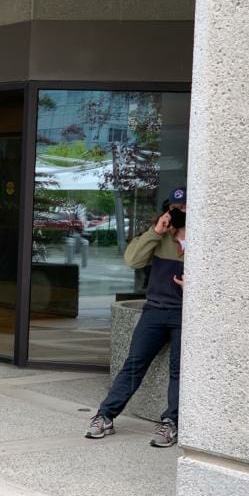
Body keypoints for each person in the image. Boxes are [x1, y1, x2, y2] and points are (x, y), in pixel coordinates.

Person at [85, 186, 187, 447]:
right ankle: (105, 416)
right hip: (154, 311)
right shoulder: (160, 237)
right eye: (175, 208)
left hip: (185, 315)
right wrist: (156, 232)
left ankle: (170, 422)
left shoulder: (206, 239)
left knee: (179, 370)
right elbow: (132, 260)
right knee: (134, 364)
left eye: (185, 207)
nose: (180, 212)